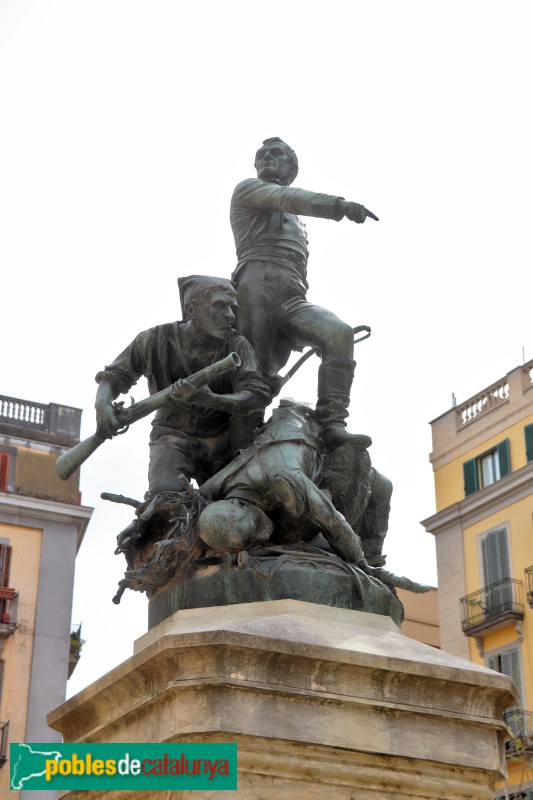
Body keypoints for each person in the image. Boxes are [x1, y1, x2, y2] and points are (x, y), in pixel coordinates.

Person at [230, 137, 378, 451]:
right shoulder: (249, 190)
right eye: (262, 155)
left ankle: (332, 423)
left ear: (291, 168)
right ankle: (237, 453)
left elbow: (291, 203)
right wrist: (338, 205)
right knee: (254, 380)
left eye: (276, 153)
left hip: (292, 295)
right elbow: (291, 199)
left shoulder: (295, 218)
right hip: (255, 290)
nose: (267, 157)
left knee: (338, 334)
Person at [95, 275, 271, 496]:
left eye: (232, 308)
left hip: (222, 443)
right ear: (191, 310)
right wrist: (102, 403)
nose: (229, 315)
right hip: (171, 437)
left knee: (238, 505)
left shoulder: (237, 345)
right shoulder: (154, 340)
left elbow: (256, 397)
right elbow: (115, 375)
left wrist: (211, 400)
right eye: (219, 306)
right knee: (164, 502)